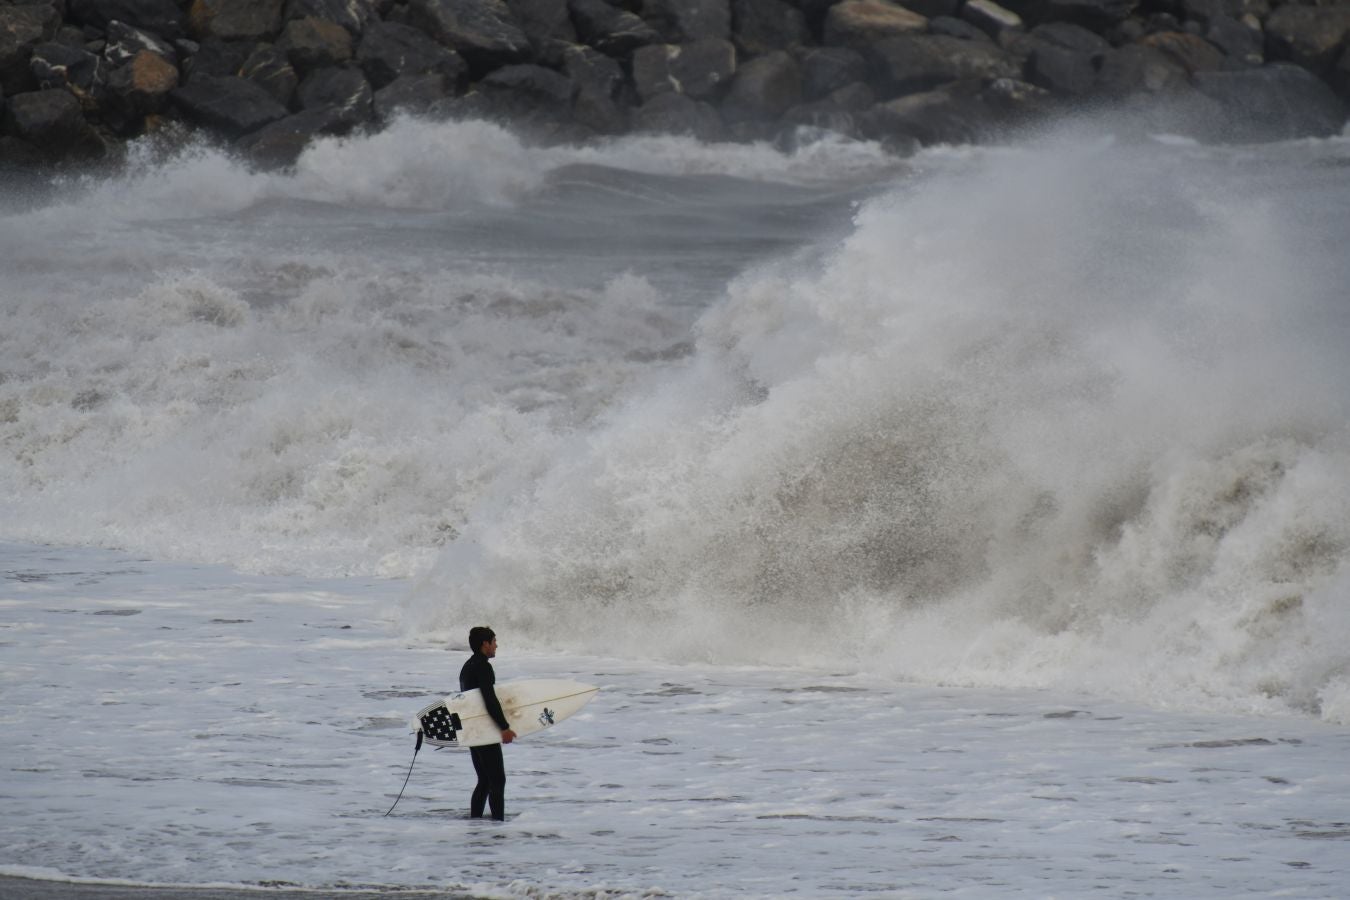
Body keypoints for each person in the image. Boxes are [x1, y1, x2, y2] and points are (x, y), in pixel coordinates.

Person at [459, 626, 516, 820]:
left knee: (484, 780)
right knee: (497, 780)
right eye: (494, 641)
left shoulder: (467, 666)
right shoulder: (483, 667)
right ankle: (498, 824)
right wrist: (504, 727)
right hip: (483, 730)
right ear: (485, 644)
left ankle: (475, 823)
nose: (496, 645)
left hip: (472, 730)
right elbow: (489, 699)